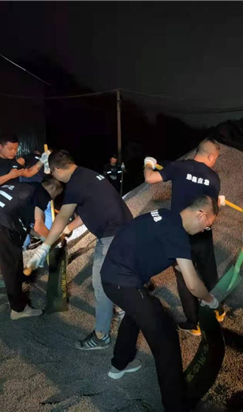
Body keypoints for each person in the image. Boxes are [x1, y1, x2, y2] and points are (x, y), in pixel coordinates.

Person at [101, 195, 220, 412]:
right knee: (166, 337)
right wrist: (211, 300)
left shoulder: (166, 216)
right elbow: (193, 285)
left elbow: (171, 257)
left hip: (113, 274)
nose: (205, 230)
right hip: (122, 282)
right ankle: (175, 406)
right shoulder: (178, 234)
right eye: (208, 225)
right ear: (201, 214)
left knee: (140, 310)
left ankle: (120, 363)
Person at [27, 150, 133, 349]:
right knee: (116, 277)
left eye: (52, 172)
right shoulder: (87, 175)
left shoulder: (75, 183)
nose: (54, 176)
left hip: (112, 235)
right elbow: (86, 213)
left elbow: (62, 216)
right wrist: (68, 229)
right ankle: (122, 309)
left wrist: (44, 247)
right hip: (126, 231)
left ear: (57, 170)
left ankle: (101, 336)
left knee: (101, 285)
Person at [143, 138, 225, 336]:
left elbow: (150, 178)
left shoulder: (179, 167)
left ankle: (193, 323)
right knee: (208, 272)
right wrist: (219, 204)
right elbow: (211, 211)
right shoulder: (213, 178)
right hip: (202, 233)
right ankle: (217, 310)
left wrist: (148, 163)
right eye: (216, 158)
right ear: (211, 156)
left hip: (179, 232)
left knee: (183, 278)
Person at [0, 176, 63, 320]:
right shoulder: (41, 193)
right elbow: (39, 225)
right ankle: (18, 309)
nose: (53, 199)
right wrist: (54, 239)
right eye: (56, 195)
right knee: (10, 266)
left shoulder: (27, 187)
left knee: (12, 260)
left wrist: (41, 236)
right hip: (1, 223)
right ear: (53, 188)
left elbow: (26, 225)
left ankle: (19, 280)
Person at [0, 136, 49, 287]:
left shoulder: (13, 163)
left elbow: (28, 173)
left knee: (15, 242)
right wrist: (9, 176)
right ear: (0, 146)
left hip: (13, 209)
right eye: (10, 149)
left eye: (16, 149)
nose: (13, 152)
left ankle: (18, 276)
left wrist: (41, 161)